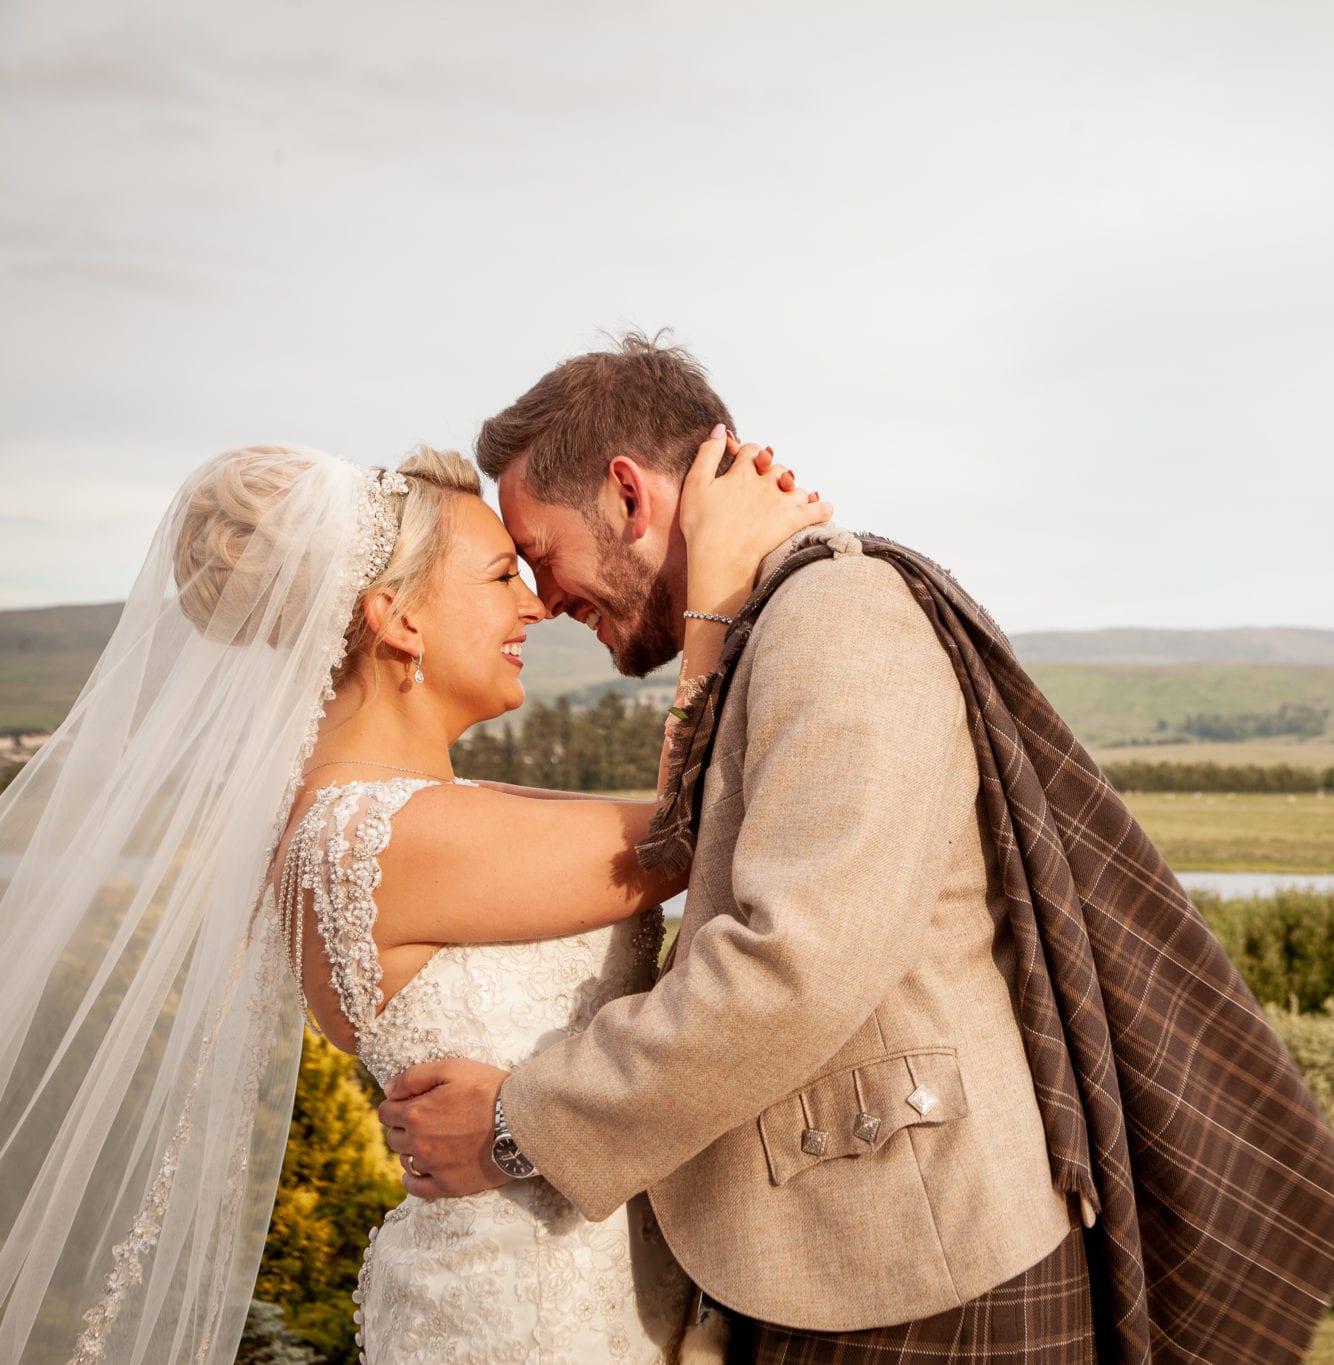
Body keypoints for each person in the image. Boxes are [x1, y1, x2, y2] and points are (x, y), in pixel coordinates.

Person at [381, 335, 1334, 1364]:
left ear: (628, 495)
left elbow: (794, 968)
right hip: (852, 1253)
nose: (543, 600)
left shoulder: (835, 616)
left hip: (918, 1275)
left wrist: (520, 1124)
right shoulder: (771, 621)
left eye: (540, 553)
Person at [0, 433, 826, 1364]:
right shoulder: (374, 836)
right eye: (499, 576)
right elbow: (697, 830)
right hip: (527, 1323)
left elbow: (672, 818)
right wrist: (717, 582)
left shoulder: (399, 813)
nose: (533, 604)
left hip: (562, 1294)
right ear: (395, 620)